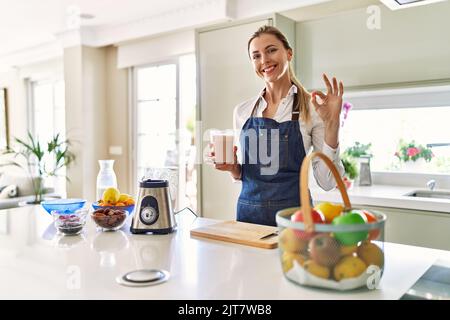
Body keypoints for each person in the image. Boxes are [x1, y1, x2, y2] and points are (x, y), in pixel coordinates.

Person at [210, 25, 345, 226]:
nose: (264, 60)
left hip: (295, 223)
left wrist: (332, 124)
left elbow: (327, 183)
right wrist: (232, 167)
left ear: (289, 53)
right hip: (248, 221)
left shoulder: (313, 108)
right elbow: (246, 176)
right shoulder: (242, 111)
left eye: (271, 50)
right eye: (256, 56)